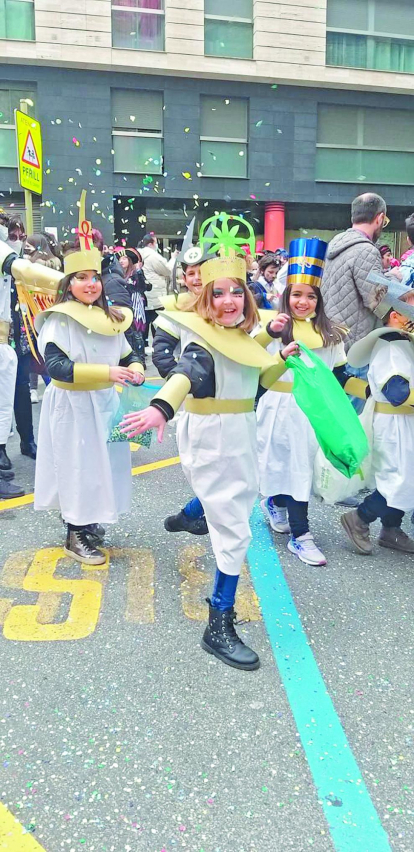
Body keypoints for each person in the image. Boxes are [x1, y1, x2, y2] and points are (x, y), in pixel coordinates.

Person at [120, 213, 296, 671]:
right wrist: (159, 406)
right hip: (213, 439)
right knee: (235, 530)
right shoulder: (204, 340)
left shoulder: (242, 337)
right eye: (218, 292)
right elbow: (187, 373)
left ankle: (190, 516)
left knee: (232, 510)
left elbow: (256, 384)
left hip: (238, 436)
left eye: (237, 290)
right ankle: (218, 622)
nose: (229, 299)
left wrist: (281, 359)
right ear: (204, 298)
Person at [34, 194, 145, 565]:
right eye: (81, 277)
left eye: (94, 277)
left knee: (104, 466)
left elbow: (128, 352)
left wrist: (137, 367)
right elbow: (58, 368)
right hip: (73, 405)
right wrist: (109, 373)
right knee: (77, 466)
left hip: (105, 403)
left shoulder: (111, 316)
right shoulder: (59, 320)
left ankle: (91, 522)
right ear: (69, 283)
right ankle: (74, 534)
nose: (90, 284)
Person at [256, 238, 348, 567]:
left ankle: (301, 536)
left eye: (311, 296)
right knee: (276, 464)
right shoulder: (272, 328)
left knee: (299, 469)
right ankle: (274, 502)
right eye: (297, 294)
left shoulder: (330, 334)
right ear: (286, 296)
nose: (303, 301)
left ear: (319, 300)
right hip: (275, 406)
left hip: (309, 411)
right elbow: (259, 371)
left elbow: (339, 377)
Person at [341, 282, 414, 555]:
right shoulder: (391, 345)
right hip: (394, 425)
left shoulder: (402, 342)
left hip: (404, 423)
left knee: (407, 477)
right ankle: (359, 519)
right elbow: (397, 391)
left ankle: (391, 529)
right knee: (397, 479)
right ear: (396, 315)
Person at [321, 193, 387, 352]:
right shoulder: (366, 250)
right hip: (356, 346)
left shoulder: (334, 244)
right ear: (380, 218)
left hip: (332, 339)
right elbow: (379, 301)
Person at [24, 234, 60, 403]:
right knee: (47, 350)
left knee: (35, 351)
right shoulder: (56, 261)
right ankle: (53, 385)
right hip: (53, 310)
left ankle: (40, 387)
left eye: (29, 244)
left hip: (35, 309)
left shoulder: (34, 265)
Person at [139, 233, 176, 349]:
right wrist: (173, 258)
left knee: (143, 325)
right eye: (156, 242)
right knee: (158, 325)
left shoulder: (139, 255)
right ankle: (159, 347)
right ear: (151, 244)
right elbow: (167, 270)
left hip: (144, 297)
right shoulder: (153, 256)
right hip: (155, 296)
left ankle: (143, 349)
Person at [114, 247, 149, 366]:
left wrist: (139, 272)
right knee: (127, 331)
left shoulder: (136, 273)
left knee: (137, 332)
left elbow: (142, 287)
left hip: (135, 303)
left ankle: (140, 359)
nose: (121, 261)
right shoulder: (117, 274)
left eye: (124, 258)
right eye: (119, 258)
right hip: (124, 302)